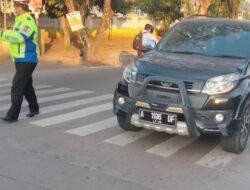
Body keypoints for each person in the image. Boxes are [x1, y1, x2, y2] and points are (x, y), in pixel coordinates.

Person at [0, 0, 39, 123]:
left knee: (17, 85)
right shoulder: (19, 21)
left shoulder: (28, 22)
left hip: (28, 59)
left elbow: (20, 38)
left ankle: (13, 115)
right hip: (20, 58)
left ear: (21, 7)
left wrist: (1, 33)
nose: (14, 10)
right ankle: (34, 108)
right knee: (26, 85)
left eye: (15, 7)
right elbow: (13, 34)